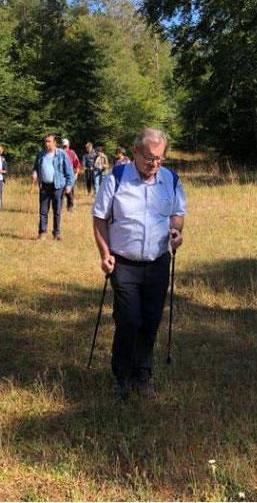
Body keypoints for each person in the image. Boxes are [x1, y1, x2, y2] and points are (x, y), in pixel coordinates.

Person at [92, 127, 186, 399]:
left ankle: (143, 372)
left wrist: (177, 232)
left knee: (151, 320)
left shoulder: (170, 180)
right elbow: (99, 218)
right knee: (129, 319)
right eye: (149, 157)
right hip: (124, 262)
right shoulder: (116, 179)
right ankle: (121, 374)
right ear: (135, 152)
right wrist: (104, 252)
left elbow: (177, 214)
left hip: (158, 261)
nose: (154, 163)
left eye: (159, 158)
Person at [30, 134, 75, 240]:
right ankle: (42, 233)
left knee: (57, 211)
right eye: (45, 141)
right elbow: (36, 168)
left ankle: (56, 233)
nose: (47, 143)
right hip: (44, 186)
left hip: (58, 186)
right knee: (43, 210)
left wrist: (69, 185)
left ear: (54, 142)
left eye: (49, 141)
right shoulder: (41, 155)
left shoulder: (61, 154)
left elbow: (69, 171)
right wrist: (34, 173)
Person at [62, 138, 81, 212]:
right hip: (61, 176)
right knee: (60, 193)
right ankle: (59, 209)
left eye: (66, 146)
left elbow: (77, 163)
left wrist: (76, 173)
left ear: (68, 145)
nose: (65, 147)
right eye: (63, 146)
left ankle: (70, 208)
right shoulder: (59, 153)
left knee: (70, 193)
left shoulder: (72, 153)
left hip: (70, 175)